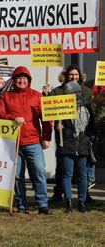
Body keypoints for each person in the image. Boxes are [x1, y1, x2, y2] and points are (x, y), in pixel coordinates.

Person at [0, 66, 53, 215]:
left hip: (33, 141)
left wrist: (46, 137)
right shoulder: (6, 96)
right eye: (19, 78)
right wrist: (12, 117)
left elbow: (46, 118)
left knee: (39, 172)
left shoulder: (37, 96)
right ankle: (21, 204)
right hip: (14, 142)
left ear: (29, 81)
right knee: (17, 175)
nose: (22, 81)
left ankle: (42, 204)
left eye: (24, 78)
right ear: (14, 81)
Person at [46, 64, 93, 203]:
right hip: (64, 137)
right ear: (66, 76)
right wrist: (47, 94)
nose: (74, 77)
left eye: (76, 74)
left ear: (80, 76)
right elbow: (49, 110)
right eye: (71, 74)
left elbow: (90, 113)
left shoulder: (86, 91)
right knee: (63, 168)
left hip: (82, 139)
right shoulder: (58, 91)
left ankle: (84, 196)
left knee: (83, 171)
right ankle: (59, 193)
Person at [55, 82, 93, 213]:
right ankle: (69, 202)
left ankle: (82, 202)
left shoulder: (87, 106)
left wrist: (89, 139)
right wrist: (58, 127)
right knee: (67, 174)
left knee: (83, 175)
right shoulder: (62, 106)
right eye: (69, 93)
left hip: (82, 144)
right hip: (67, 144)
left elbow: (91, 126)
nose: (72, 95)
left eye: (74, 93)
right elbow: (56, 121)